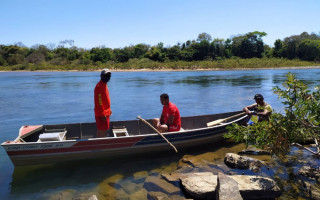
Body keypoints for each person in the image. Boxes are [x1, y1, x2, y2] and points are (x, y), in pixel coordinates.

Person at [94, 69, 112, 138]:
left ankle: (99, 144)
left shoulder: (104, 85)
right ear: (101, 76)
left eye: (109, 75)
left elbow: (105, 99)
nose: (108, 77)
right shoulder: (99, 86)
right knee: (101, 130)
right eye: (106, 75)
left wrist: (109, 109)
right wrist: (102, 113)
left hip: (106, 111)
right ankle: (99, 146)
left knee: (103, 129)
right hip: (101, 113)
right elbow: (99, 101)